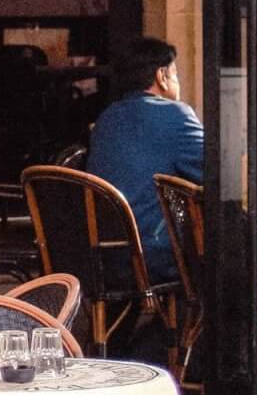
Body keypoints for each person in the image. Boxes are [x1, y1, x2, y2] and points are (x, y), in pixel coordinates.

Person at [85, 37, 204, 284]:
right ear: (162, 76)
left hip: (106, 253)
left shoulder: (107, 118)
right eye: (176, 73)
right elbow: (216, 175)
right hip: (156, 251)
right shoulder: (175, 114)